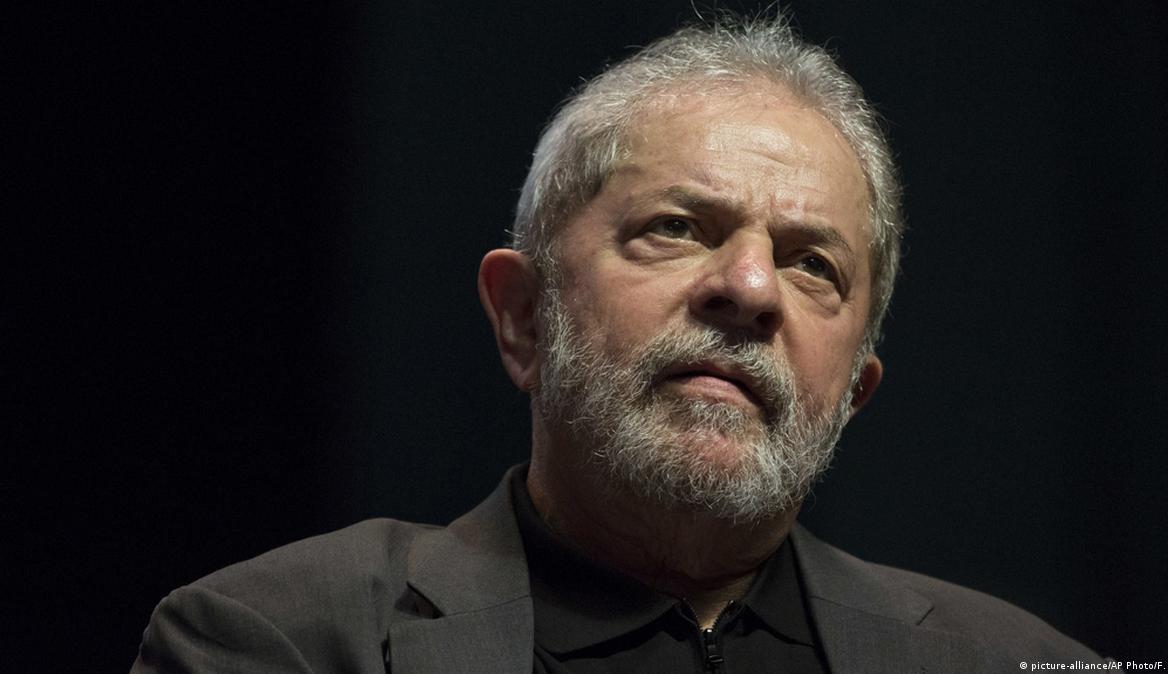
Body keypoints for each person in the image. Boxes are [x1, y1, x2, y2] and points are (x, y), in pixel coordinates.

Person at [133, 16, 1114, 673]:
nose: (749, 288)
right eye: (677, 227)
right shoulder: (279, 640)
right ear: (524, 315)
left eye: (811, 262)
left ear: (853, 389)